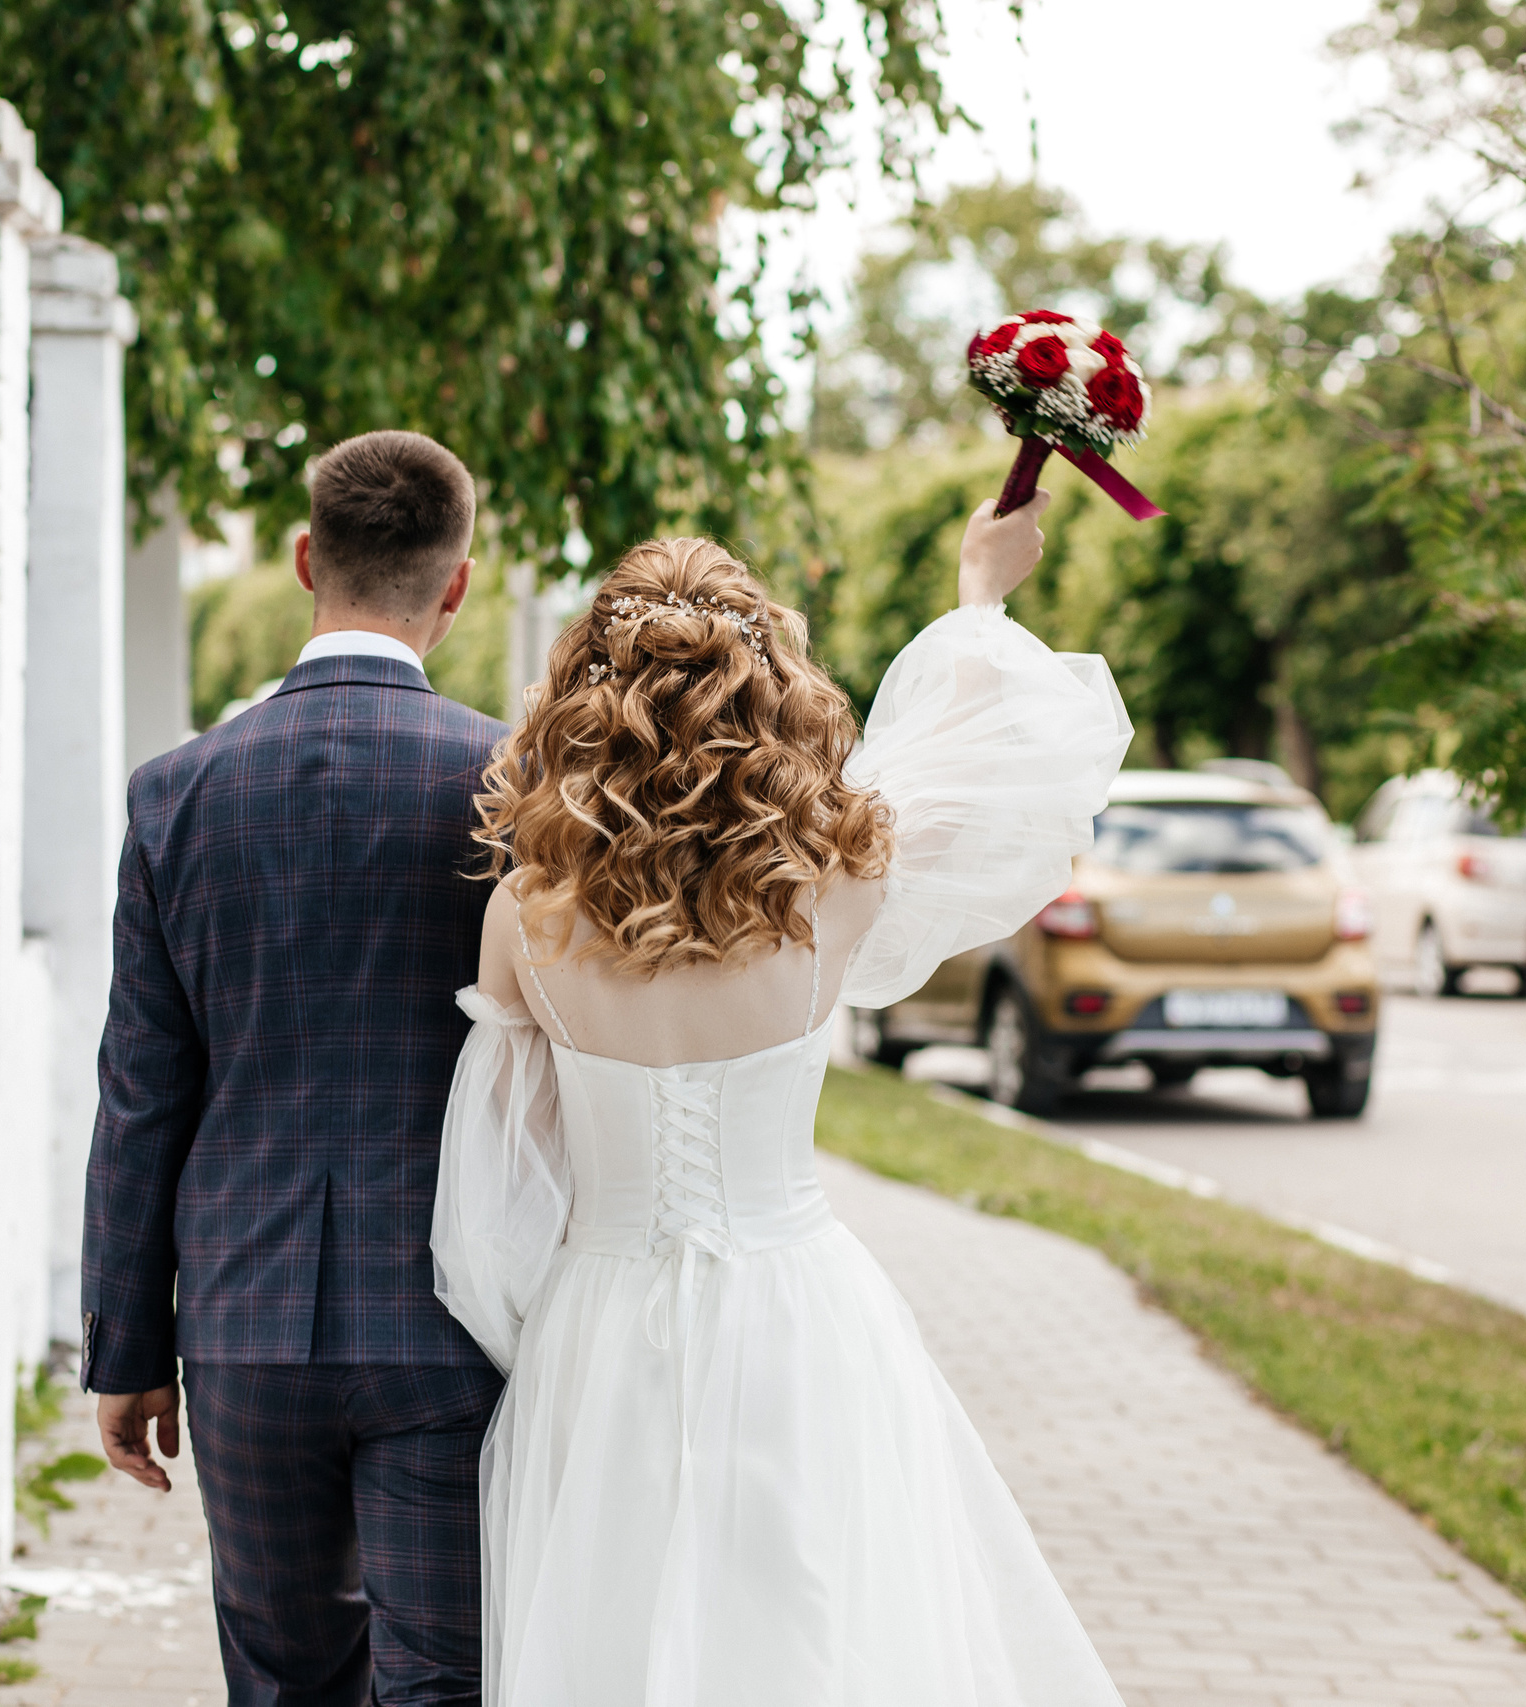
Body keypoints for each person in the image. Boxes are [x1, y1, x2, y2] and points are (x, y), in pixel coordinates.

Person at [431, 492, 1134, 1704]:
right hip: (798, 1309)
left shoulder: (524, 915)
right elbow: (978, 768)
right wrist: (978, 596)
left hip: (601, 1325)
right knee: (812, 1629)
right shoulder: (836, 884)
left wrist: (536, 1337)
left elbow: (495, 1192)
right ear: (771, 696)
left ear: (586, 702)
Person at [83, 430, 509, 1707]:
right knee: (449, 1680)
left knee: (282, 1682)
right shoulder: (518, 786)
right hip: (454, 1315)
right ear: (457, 583)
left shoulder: (175, 793)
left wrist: (126, 1346)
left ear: (304, 559)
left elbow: (142, 1093)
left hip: (242, 1320)